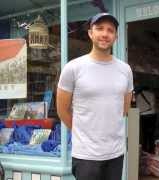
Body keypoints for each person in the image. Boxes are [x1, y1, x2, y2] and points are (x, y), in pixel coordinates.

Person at [56, 13, 133, 180]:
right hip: (86, 156)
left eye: (110, 30)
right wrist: (84, 132)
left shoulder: (125, 70)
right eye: (99, 29)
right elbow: (62, 110)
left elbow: (124, 109)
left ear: (116, 36)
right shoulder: (73, 68)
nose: (105, 34)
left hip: (115, 153)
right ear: (90, 33)